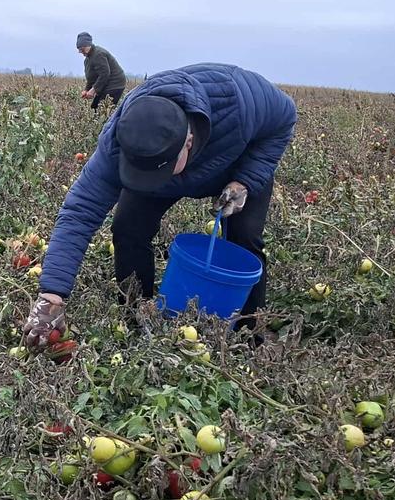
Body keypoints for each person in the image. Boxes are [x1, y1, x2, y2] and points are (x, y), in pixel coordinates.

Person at [22, 63, 296, 350]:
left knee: (245, 240)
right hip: (165, 165)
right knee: (128, 228)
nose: (147, 179)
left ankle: (249, 338)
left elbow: (285, 118)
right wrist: (51, 296)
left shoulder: (238, 100)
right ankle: (136, 319)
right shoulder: (119, 141)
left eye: (157, 170)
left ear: (188, 142)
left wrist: (247, 179)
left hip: (235, 165)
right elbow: (79, 212)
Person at [77, 32, 126, 110]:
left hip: (115, 85)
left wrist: (93, 90)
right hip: (105, 85)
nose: (80, 51)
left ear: (88, 45)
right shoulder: (87, 60)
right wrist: (86, 90)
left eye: (81, 48)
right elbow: (91, 78)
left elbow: (105, 74)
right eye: (79, 49)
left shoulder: (98, 54)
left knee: (102, 111)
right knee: (94, 108)